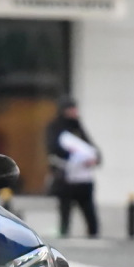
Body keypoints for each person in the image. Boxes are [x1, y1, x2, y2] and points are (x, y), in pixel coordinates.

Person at [45, 97, 100, 238]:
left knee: (89, 213)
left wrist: (94, 159)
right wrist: (72, 156)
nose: (75, 112)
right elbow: (53, 149)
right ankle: (64, 234)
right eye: (72, 109)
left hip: (83, 179)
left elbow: (91, 148)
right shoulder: (55, 127)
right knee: (65, 212)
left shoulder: (77, 126)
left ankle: (93, 234)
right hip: (66, 178)